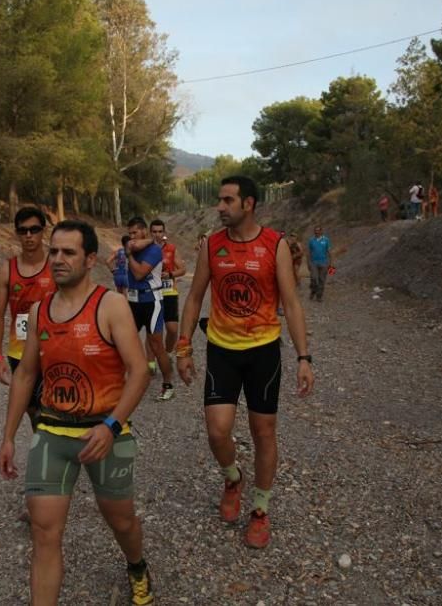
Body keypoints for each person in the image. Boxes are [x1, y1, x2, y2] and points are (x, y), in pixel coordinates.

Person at [0, 220, 154, 605]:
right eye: (54, 251)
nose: (58, 259)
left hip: (105, 432)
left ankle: (137, 566)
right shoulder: (39, 312)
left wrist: (111, 425)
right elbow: (26, 376)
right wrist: (8, 436)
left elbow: (139, 372)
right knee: (44, 533)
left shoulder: (111, 306)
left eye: (68, 252)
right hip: (52, 431)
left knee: (121, 522)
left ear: (89, 259)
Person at [176, 176, 314, 549]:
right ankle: (233, 478)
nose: (220, 207)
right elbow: (193, 299)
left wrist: (304, 357)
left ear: (248, 204)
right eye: (220, 200)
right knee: (218, 431)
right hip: (222, 348)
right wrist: (183, 346)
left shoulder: (275, 245)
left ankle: (260, 510)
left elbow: (292, 303)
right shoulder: (212, 246)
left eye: (227, 200)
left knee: (263, 430)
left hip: (263, 350)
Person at [0, 207, 56, 428]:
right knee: (32, 411)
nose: (29, 235)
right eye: (23, 230)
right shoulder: (7, 270)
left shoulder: (56, 266)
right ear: (17, 233)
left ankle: (55, 451)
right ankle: (46, 449)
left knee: (55, 408)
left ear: (43, 231)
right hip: (19, 351)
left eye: (34, 229)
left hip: (54, 349)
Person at [125, 216, 176, 401]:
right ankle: (118, 382)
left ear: (143, 231)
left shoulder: (154, 250)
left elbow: (139, 274)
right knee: (123, 341)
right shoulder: (134, 246)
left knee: (156, 345)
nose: (131, 237)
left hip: (152, 300)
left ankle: (168, 383)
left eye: (135, 232)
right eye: (129, 233)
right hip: (132, 301)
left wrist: (129, 254)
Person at [149, 218, 186, 354]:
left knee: (172, 329)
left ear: (163, 232)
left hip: (169, 292)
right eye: (154, 231)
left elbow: (182, 270)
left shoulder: (171, 248)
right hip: (152, 294)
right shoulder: (146, 249)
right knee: (152, 330)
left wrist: (170, 274)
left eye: (160, 231)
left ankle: (167, 353)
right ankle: (151, 361)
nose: (157, 234)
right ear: (150, 232)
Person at [306, 225, 332, 302]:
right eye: (315, 230)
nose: (316, 232)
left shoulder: (326, 240)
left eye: (318, 230)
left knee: (322, 280)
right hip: (313, 263)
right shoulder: (311, 240)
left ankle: (319, 296)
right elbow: (309, 252)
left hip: (324, 263)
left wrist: (330, 263)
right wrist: (308, 263)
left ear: (321, 231)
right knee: (314, 278)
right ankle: (313, 290)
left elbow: (329, 252)